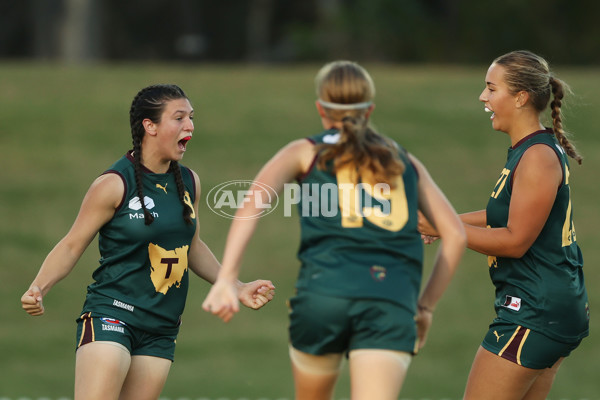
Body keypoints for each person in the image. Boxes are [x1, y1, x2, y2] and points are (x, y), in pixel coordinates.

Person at [202, 61, 466, 400]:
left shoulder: (305, 151)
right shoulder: (405, 161)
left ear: (320, 109)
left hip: (322, 297)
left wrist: (228, 278)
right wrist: (425, 307)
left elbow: (251, 204)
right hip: (389, 301)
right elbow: (455, 235)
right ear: (370, 109)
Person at [20, 84, 275, 400]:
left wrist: (235, 286)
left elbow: (191, 246)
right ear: (149, 126)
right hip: (112, 314)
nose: (190, 126)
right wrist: (38, 288)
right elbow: (72, 244)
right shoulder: (114, 184)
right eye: (179, 118)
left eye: (191, 118)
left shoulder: (189, 182)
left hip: (161, 329)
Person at [419, 50, 590, 400]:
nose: (483, 97)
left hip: (535, 311)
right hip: (549, 308)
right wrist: (439, 222)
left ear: (521, 97)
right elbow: (504, 214)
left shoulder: (538, 157)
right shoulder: (529, 149)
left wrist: (448, 229)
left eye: (491, 88)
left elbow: (515, 240)